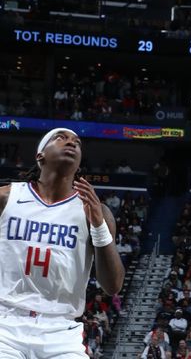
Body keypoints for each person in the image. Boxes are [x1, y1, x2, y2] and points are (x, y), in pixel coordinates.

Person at [0, 127, 125, 358]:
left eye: (76, 142)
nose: (71, 143)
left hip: (60, 329)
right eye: (61, 138)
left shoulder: (97, 211)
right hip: (5, 323)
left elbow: (113, 285)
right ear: (40, 156)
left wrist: (98, 225)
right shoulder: (7, 197)